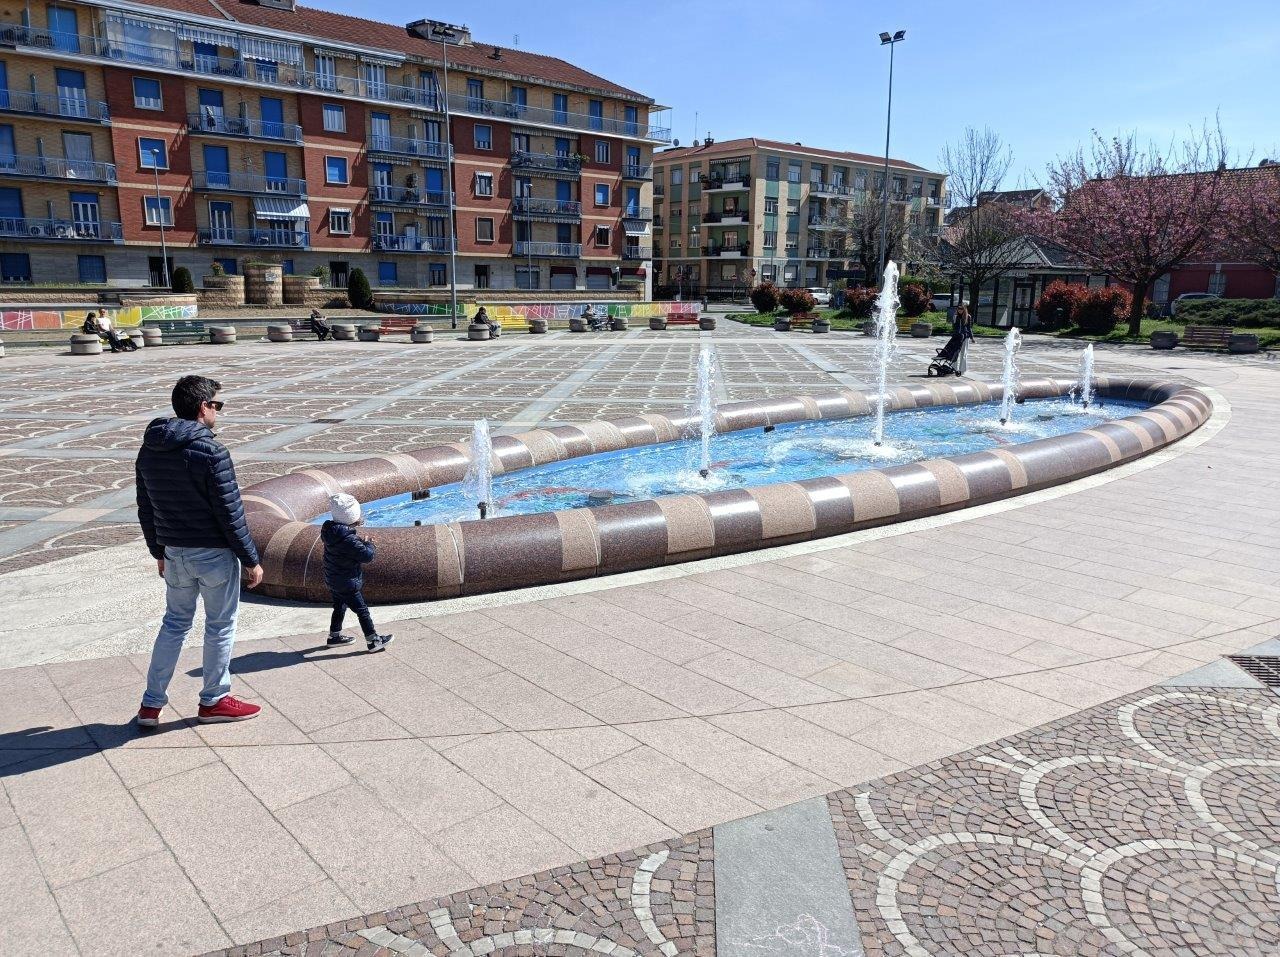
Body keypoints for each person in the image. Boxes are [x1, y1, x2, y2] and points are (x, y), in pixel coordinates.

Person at [135, 375, 265, 727]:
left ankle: (151, 704)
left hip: (175, 552)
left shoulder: (149, 448)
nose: (219, 413)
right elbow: (230, 511)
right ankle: (214, 700)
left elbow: (145, 507)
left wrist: (158, 552)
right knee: (220, 626)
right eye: (217, 405)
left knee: (174, 624)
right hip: (213, 555)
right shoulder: (211, 451)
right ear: (203, 407)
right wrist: (251, 558)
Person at [321, 493, 393, 652]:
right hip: (347, 582)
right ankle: (373, 641)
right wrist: (369, 545)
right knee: (362, 611)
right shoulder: (348, 539)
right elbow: (366, 556)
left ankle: (334, 637)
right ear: (351, 516)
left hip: (333, 578)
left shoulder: (331, 532)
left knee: (339, 606)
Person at [953, 305, 975, 375]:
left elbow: (969, 328)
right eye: (958, 309)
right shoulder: (955, 316)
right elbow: (954, 328)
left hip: (965, 337)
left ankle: (962, 369)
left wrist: (972, 338)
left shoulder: (968, 316)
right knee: (955, 352)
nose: (960, 310)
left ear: (964, 309)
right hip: (957, 337)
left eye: (961, 309)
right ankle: (954, 368)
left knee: (963, 353)